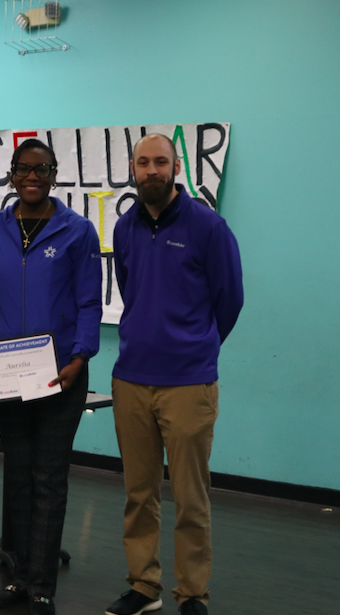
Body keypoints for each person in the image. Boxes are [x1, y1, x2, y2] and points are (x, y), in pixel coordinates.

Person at [105, 134, 243, 615]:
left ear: (177, 166)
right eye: (143, 163)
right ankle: (144, 586)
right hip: (131, 380)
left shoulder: (209, 226)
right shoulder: (124, 228)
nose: (152, 171)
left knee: (191, 497)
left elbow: (230, 300)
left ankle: (192, 594)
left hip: (189, 383)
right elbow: (130, 289)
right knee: (138, 494)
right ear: (133, 168)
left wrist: (197, 345)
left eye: (160, 162)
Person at [0, 139, 103, 615]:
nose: (32, 175)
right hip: (7, 374)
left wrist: (80, 357)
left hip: (60, 375)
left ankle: (43, 584)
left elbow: (91, 303)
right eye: (24, 168)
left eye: (41, 168)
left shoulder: (79, 231)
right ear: (11, 174)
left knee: (49, 478)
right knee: (19, 477)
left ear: (53, 174)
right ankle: (20, 576)